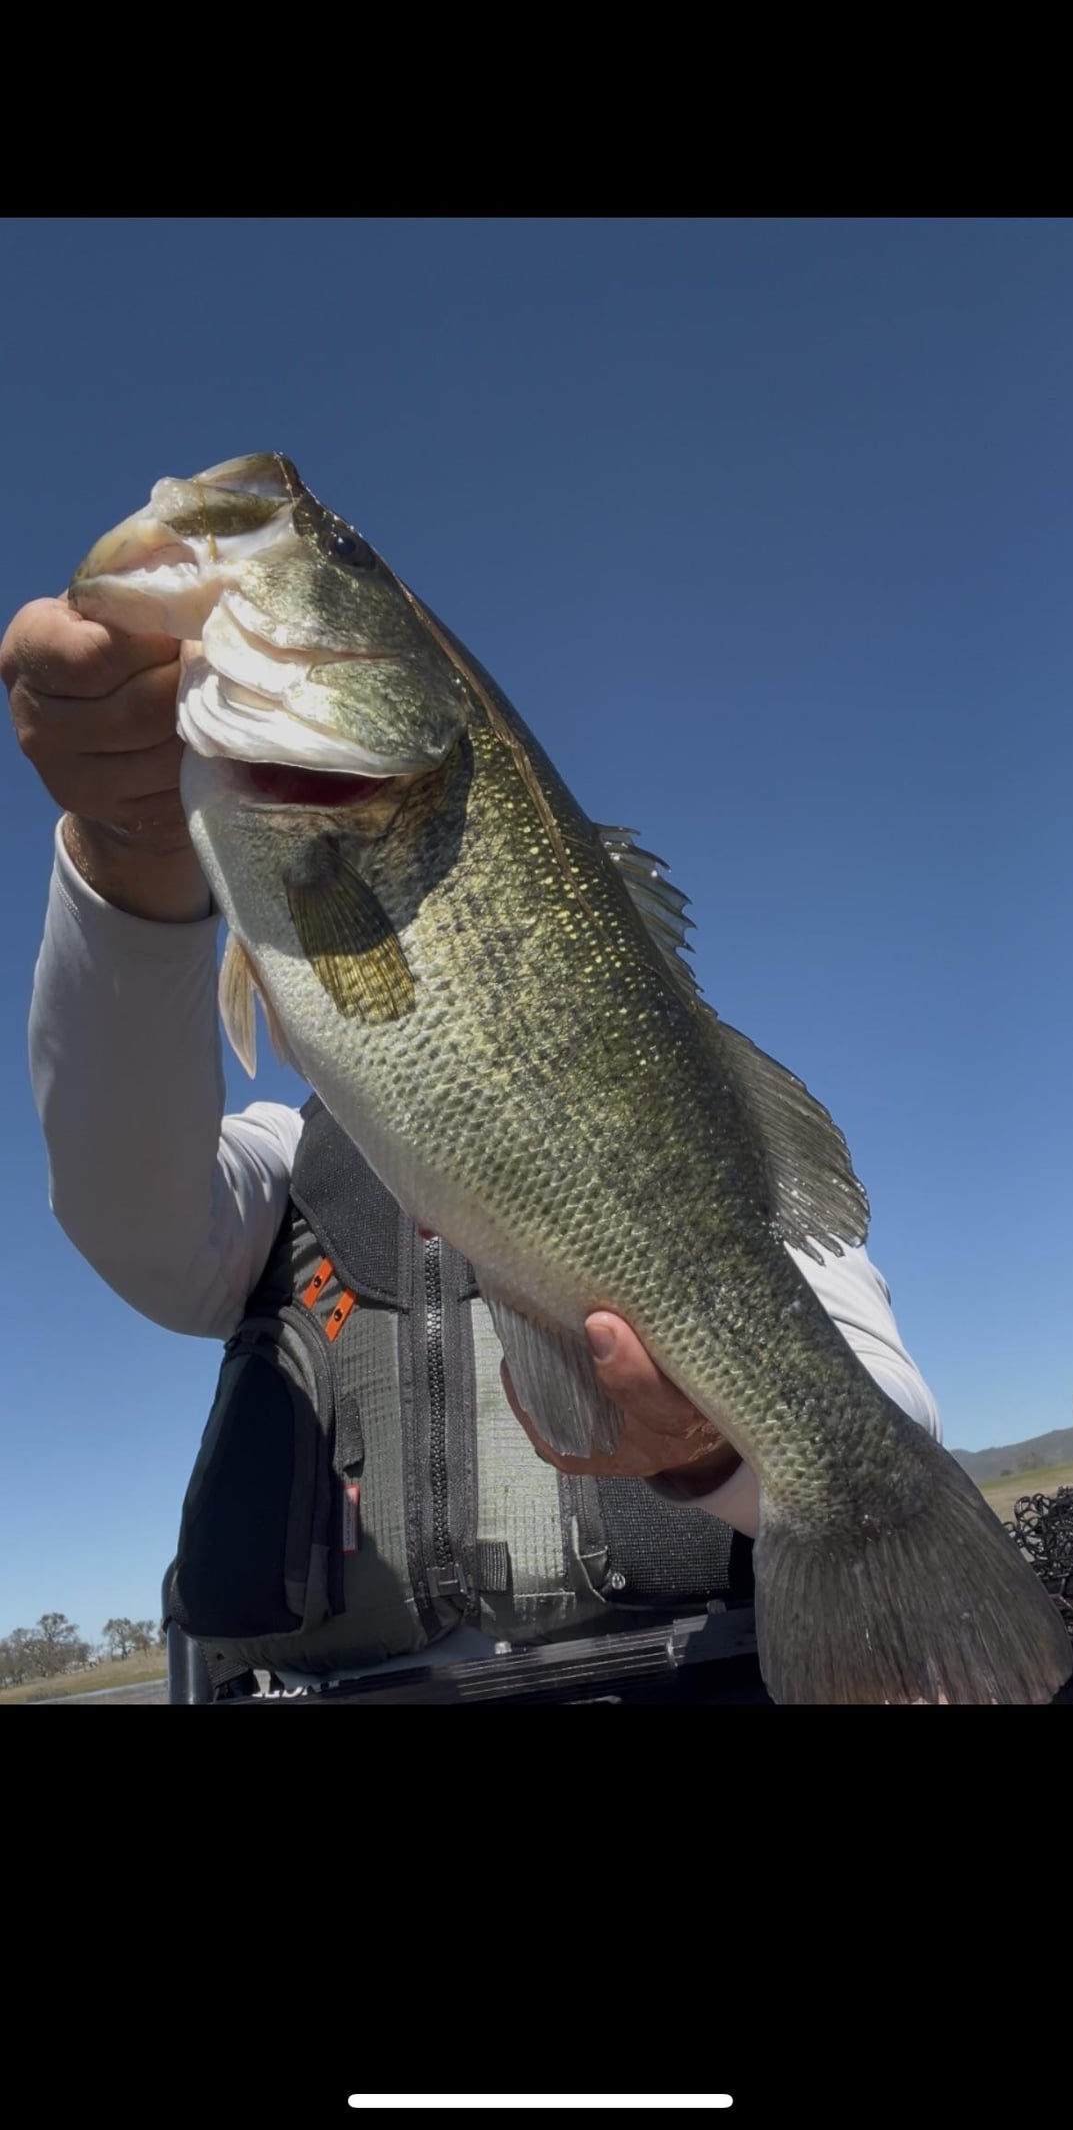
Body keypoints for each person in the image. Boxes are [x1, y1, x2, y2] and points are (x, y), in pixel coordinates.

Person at [2, 595, 944, 1700]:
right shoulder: (281, 1164)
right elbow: (125, 1210)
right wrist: (128, 857)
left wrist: (713, 1447)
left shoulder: (680, 1130)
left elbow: (889, 1413)